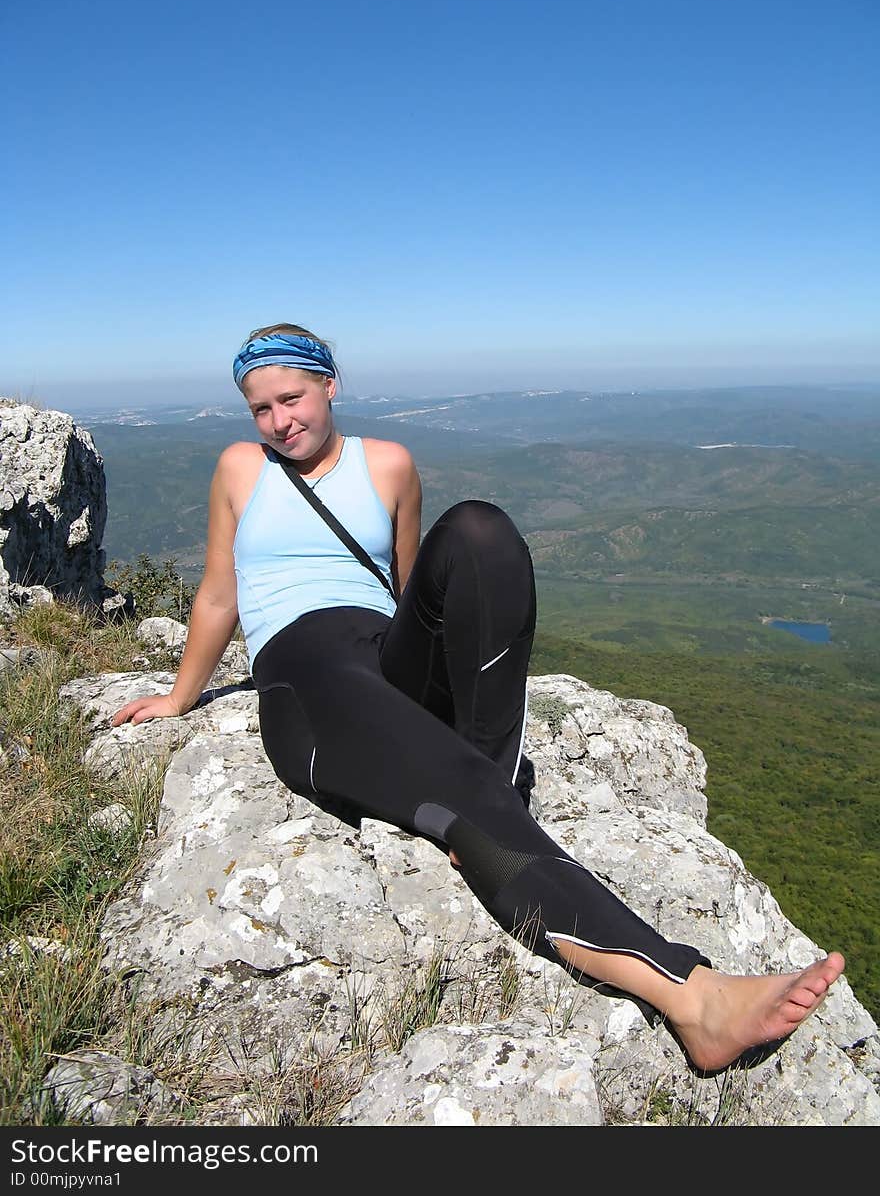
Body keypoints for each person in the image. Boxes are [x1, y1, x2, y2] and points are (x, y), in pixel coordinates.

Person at [113, 322, 845, 1075]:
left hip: (379, 651)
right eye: (260, 408)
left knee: (480, 530)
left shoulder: (389, 464)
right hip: (305, 666)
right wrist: (179, 695)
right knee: (466, 800)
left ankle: (485, 780)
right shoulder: (240, 468)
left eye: (292, 398)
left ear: (330, 384)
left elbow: (415, 593)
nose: (279, 420)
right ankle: (695, 999)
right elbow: (217, 594)